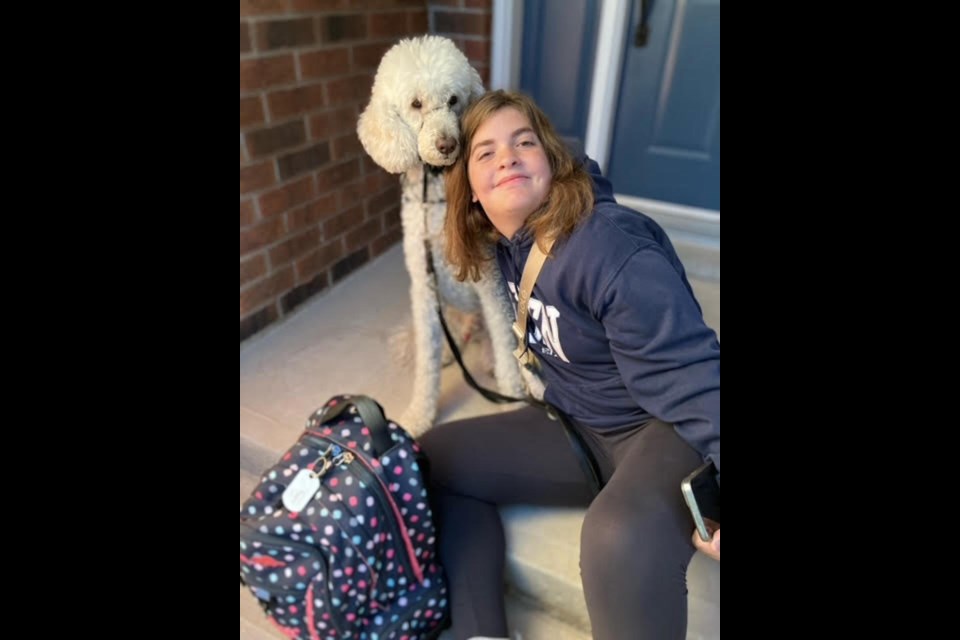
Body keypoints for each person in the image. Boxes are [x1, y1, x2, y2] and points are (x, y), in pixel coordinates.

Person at [418, 90, 720, 640]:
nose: (506, 156)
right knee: (433, 461)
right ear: (471, 196)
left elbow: (694, 376)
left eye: (523, 142)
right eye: (484, 153)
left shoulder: (610, 250)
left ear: (553, 163)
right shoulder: (508, 243)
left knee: (616, 537)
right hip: (579, 425)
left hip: (660, 427)